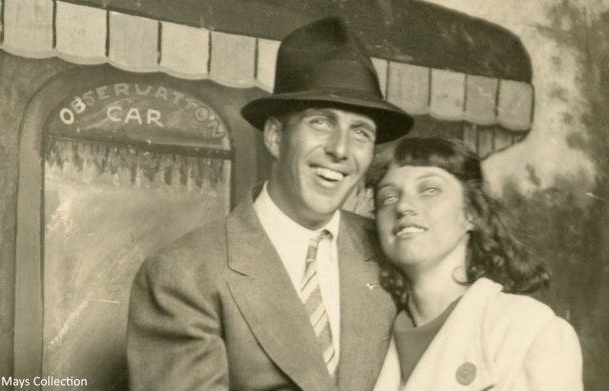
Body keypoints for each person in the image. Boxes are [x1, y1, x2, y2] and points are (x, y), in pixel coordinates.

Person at [126, 17, 413, 391]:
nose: (341, 150)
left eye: (360, 132)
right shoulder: (182, 275)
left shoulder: (392, 250)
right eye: (322, 123)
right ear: (276, 137)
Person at [370, 137, 583, 391]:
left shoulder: (530, 329)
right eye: (389, 198)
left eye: (429, 190)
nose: (404, 206)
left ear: (471, 213)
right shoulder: (375, 339)